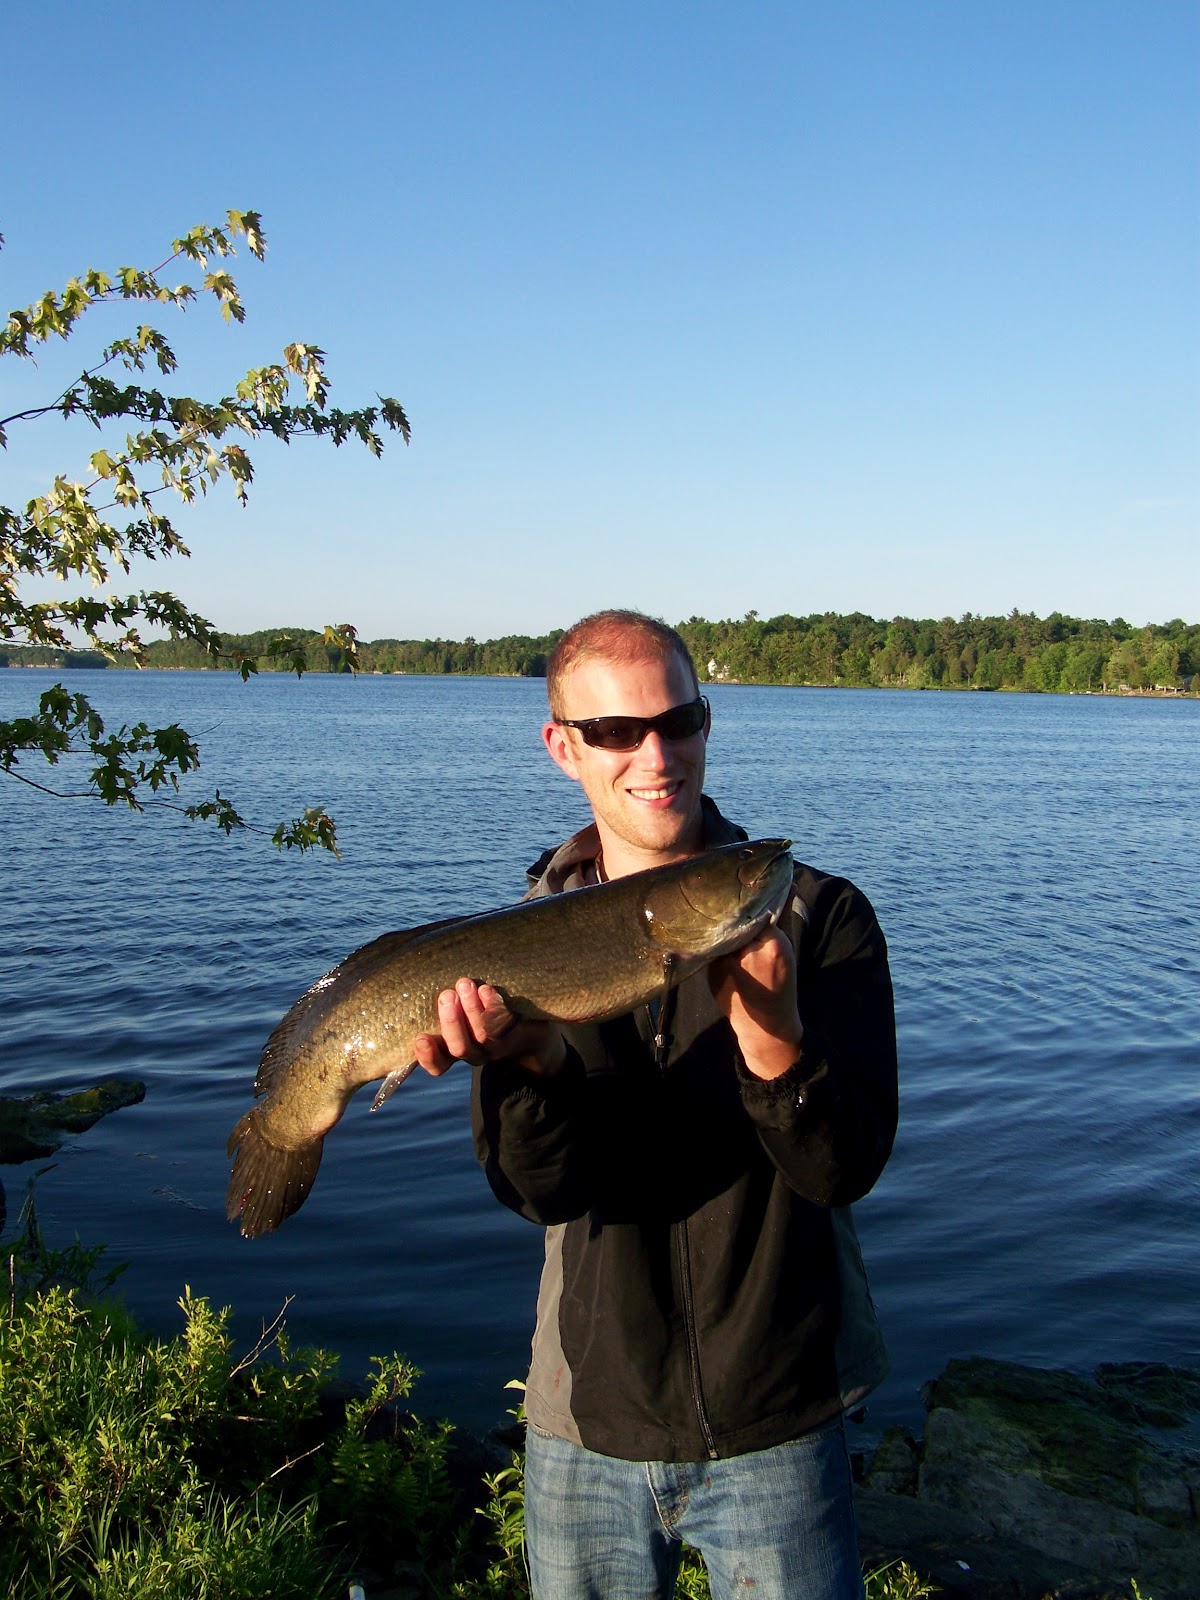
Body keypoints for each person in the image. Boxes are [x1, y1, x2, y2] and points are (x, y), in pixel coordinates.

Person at [413, 609, 898, 1600]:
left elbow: (842, 1169)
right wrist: (536, 1064)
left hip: (777, 1416)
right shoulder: (517, 946)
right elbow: (540, 1192)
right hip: (586, 1421)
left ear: (706, 721)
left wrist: (774, 1041)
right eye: (616, 731)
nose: (657, 755)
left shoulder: (817, 916)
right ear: (563, 747)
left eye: (679, 722)